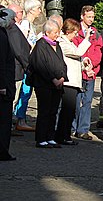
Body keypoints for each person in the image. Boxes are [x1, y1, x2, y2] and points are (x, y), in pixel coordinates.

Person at [29, 20, 67, 148]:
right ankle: (41, 138)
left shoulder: (57, 45)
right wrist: (53, 79)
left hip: (57, 84)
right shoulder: (41, 45)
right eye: (55, 32)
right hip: (44, 84)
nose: (57, 35)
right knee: (44, 111)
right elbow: (40, 65)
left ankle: (50, 136)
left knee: (53, 111)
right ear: (47, 32)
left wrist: (62, 77)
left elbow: (62, 62)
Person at [56, 18, 91, 146]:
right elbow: (77, 53)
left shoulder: (69, 43)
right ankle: (62, 135)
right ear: (69, 31)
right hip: (68, 82)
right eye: (75, 32)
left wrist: (84, 64)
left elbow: (75, 59)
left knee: (70, 111)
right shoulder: (62, 42)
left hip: (74, 81)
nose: (76, 35)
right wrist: (86, 38)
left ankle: (64, 135)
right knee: (67, 110)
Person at [72, 5, 103, 140]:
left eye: (93, 17)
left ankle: (83, 129)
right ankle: (72, 127)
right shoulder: (76, 32)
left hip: (90, 73)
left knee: (87, 101)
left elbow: (99, 51)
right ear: (82, 16)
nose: (91, 19)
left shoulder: (95, 33)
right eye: (89, 16)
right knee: (75, 101)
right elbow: (75, 50)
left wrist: (92, 65)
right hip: (78, 72)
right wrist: (84, 63)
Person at [13, 0, 42, 131]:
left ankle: (20, 118)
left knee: (26, 91)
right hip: (26, 63)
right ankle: (19, 119)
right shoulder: (25, 24)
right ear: (31, 10)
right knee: (24, 91)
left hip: (30, 62)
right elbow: (22, 44)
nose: (40, 11)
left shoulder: (31, 25)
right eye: (38, 9)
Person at [5, 5, 30, 137]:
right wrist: (27, 65)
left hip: (15, 69)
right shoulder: (12, 29)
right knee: (12, 99)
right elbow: (19, 51)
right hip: (15, 70)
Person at [0, 8, 17, 160]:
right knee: (4, 122)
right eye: (12, 20)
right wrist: (2, 86)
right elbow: (1, 63)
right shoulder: (2, 36)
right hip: (3, 87)